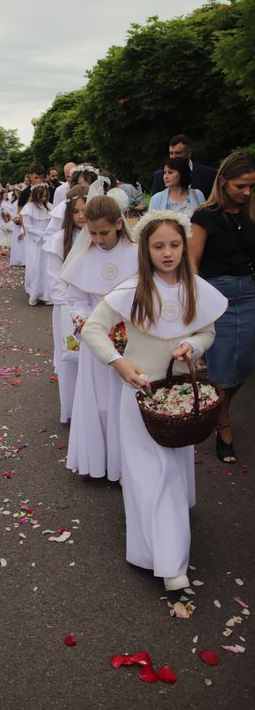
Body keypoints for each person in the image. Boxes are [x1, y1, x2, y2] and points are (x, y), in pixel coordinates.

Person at [82, 211, 226, 591]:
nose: (167, 253)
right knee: (151, 475)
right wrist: (119, 362)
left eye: (174, 245)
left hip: (178, 398)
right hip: (140, 392)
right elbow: (94, 329)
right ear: (145, 249)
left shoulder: (195, 287)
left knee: (172, 471)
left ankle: (163, 543)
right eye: (158, 245)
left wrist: (192, 344)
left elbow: (207, 332)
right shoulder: (132, 289)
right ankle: (168, 561)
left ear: (184, 246)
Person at [61, 193, 138, 482]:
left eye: (104, 232)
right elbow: (76, 298)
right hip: (96, 338)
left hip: (131, 337)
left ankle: (124, 466)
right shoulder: (84, 256)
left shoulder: (136, 253)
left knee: (124, 403)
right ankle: (97, 462)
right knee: (98, 403)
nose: (98, 238)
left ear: (119, 224)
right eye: (91, 233)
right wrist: (83, 322)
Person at [190, 151, 255, 463]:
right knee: (221, 363)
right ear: (224, 181)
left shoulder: (252, 212)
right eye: (241, 186)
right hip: (219, 299)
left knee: (245, 362)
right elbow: (192, 262)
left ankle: (220, 408)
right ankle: (222, 420)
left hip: (251, 294)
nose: (246, 192)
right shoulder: (204, 216)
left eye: (251, 186)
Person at [43, 186, 88, 423]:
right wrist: (70, 313)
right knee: (71, 359)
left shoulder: (98, 236)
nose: (81, 216)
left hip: (93, 307)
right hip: (67, 309)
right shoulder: (58, 241)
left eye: (85, 210)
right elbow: (55, 280)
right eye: (76, 211)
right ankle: (71, 410)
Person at [151, 135, 216, 199]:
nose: (174, 157)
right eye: (171, 153)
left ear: (189, 153)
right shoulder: (159, 176)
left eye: (178, 153)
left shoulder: (208, 174)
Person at [21, 180, 52, 306]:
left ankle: (46, 294)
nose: (43, 198)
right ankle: (34, 294)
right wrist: (42, 235)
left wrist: (49, 234)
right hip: (34, 242)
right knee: (35, 267)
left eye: (45, 195)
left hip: (47, 241)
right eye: (41, 196)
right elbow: (28, 227)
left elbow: (53, 223)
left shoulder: (49, 207)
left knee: (46, 268)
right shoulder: (28, 208)